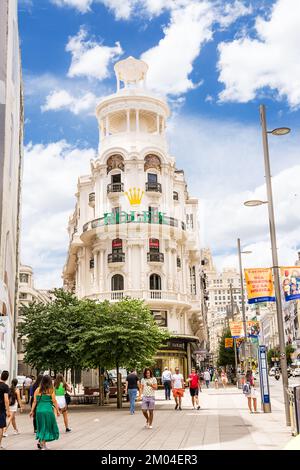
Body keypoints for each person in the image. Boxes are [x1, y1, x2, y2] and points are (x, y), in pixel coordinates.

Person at [30, 374, 60, 450]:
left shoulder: (37, 389)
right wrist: (57, 410)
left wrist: (32, 411)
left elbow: (34, 402)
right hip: (48, 411)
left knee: (41, 427)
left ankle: (42, 443)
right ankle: (43, 444)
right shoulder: (51, 389)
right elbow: (54, 401)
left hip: (39, 411)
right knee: (47, 427)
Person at [0, 371, 11, 450]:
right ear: (7, 377)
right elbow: (6, 400)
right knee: (0, 427)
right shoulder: (5, 386)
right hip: (1, 409)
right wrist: (8, 411)